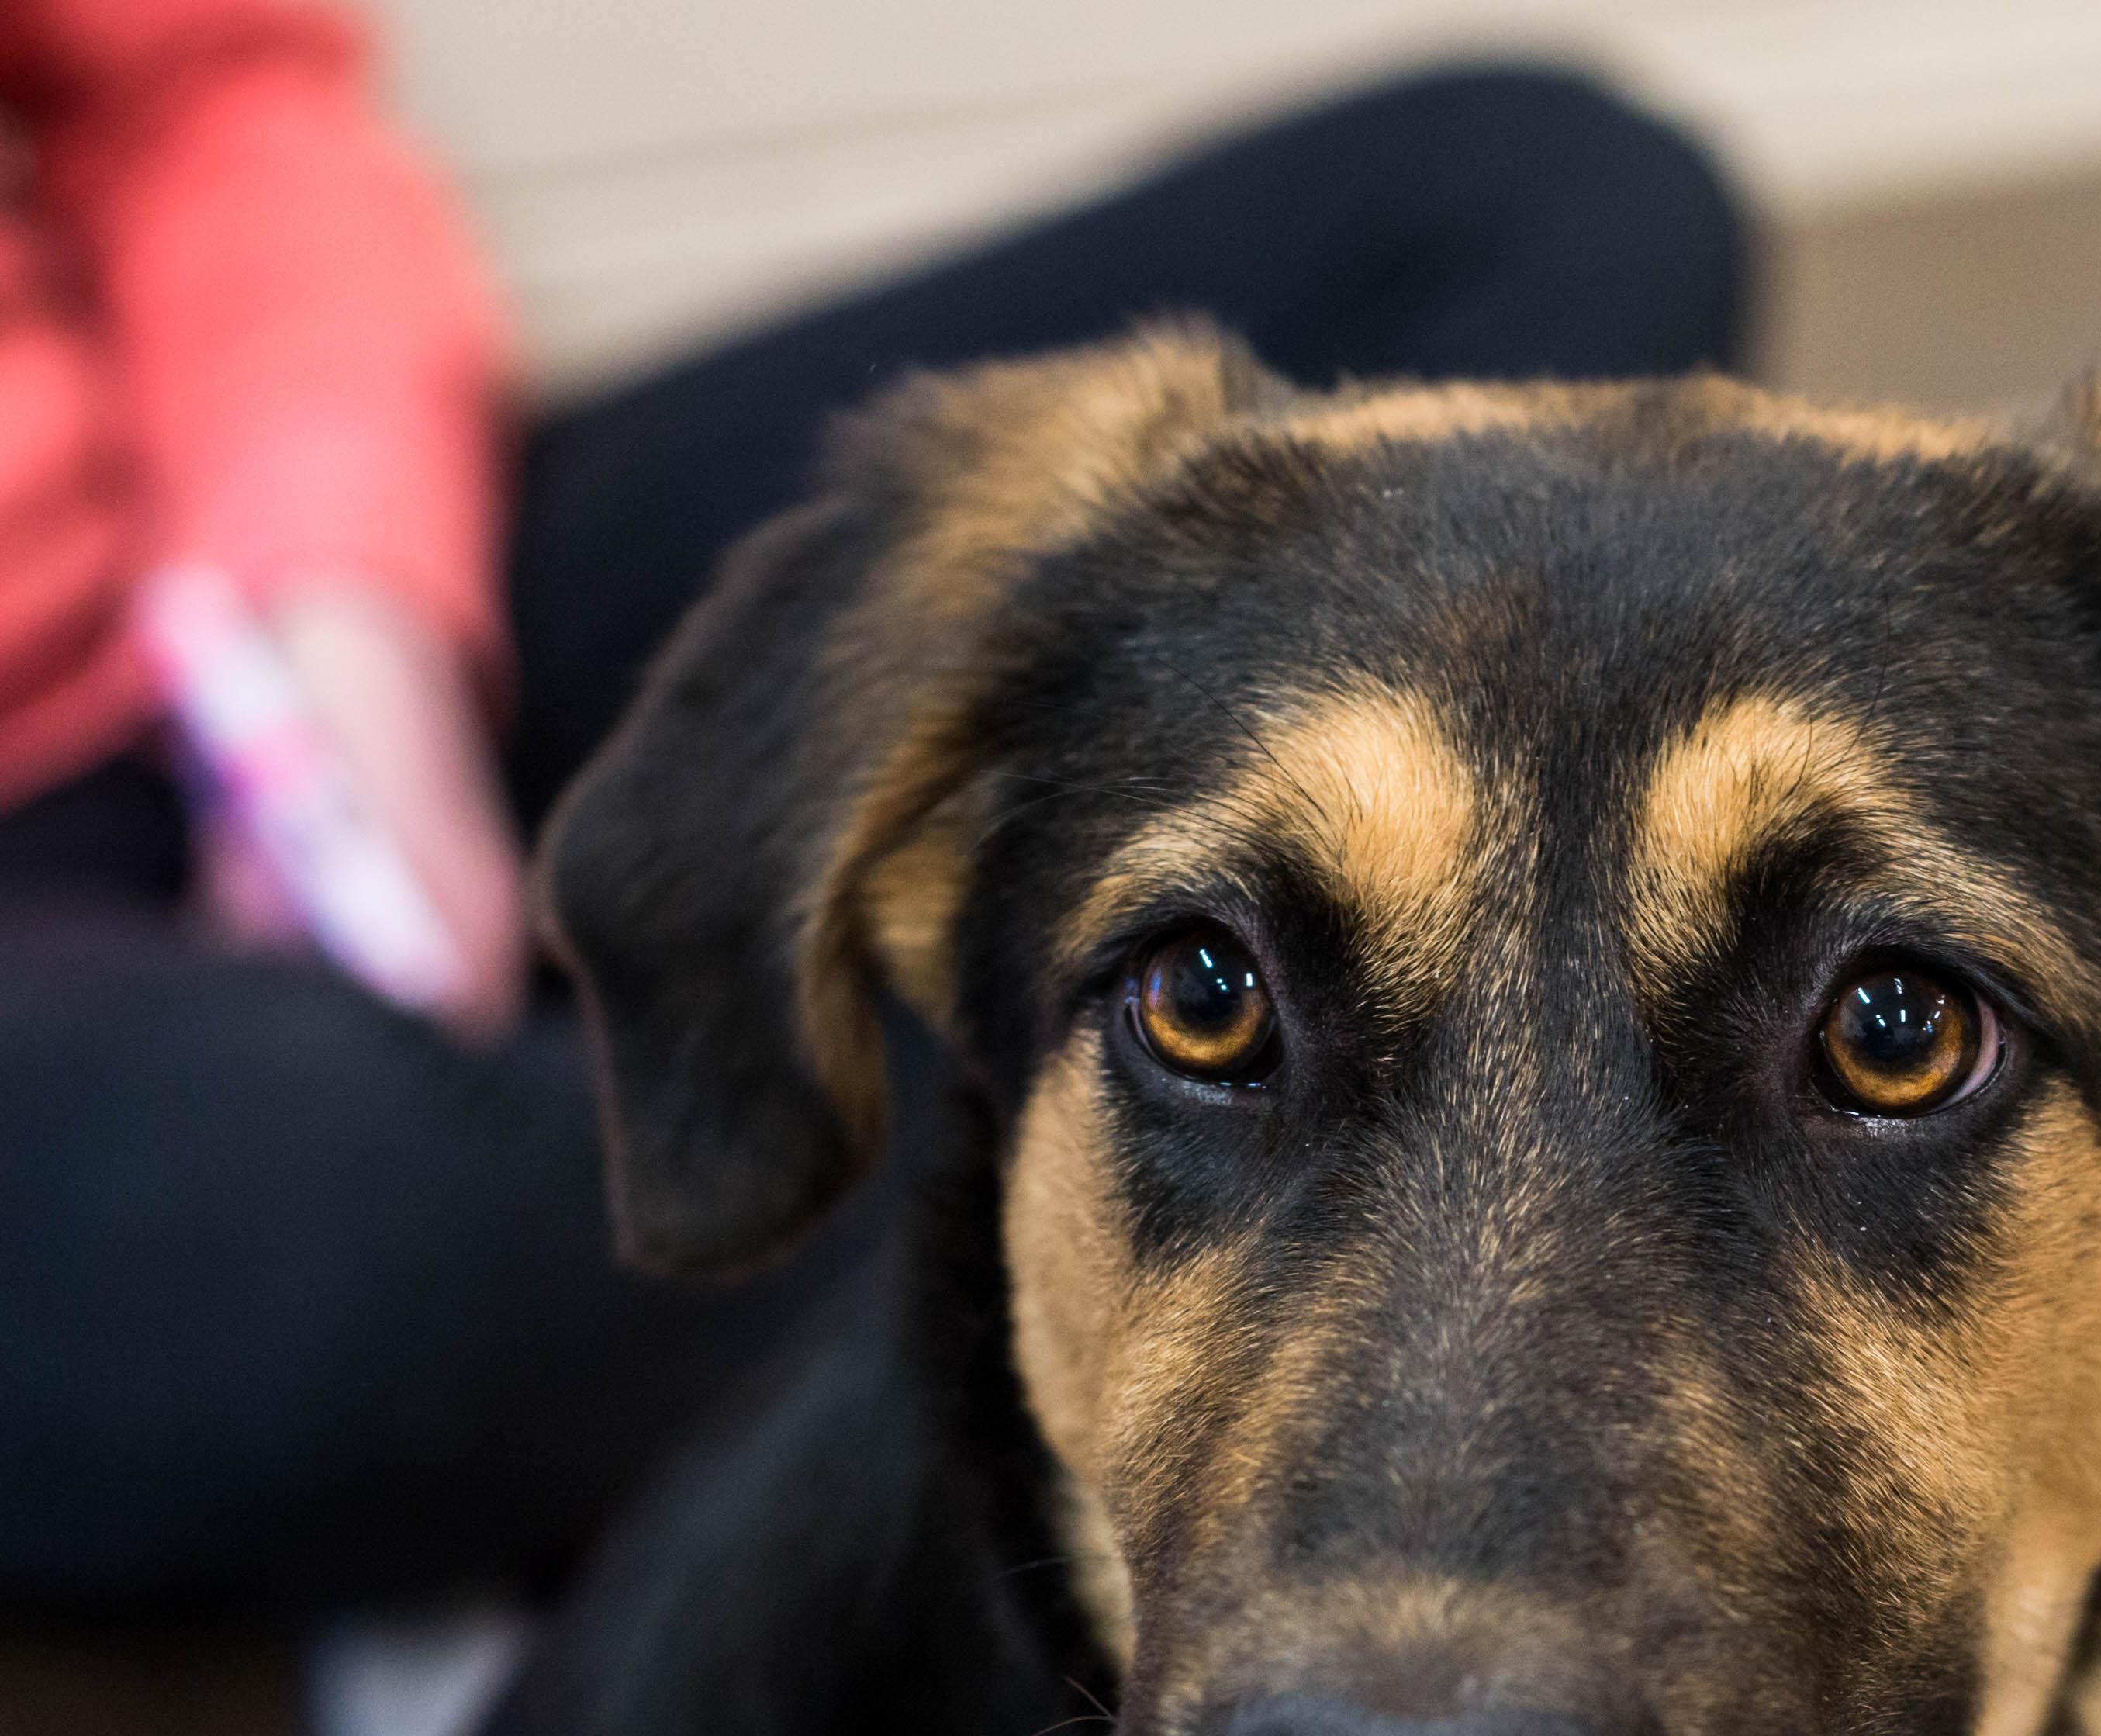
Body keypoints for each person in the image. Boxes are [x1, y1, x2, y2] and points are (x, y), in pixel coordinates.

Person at [0, 2, 1750, 1626]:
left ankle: (962, 1097)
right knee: (300, 1270)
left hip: (211, 574)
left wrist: (338, 591)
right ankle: (1012, 1100)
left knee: (1557, 198)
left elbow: (204, 95)